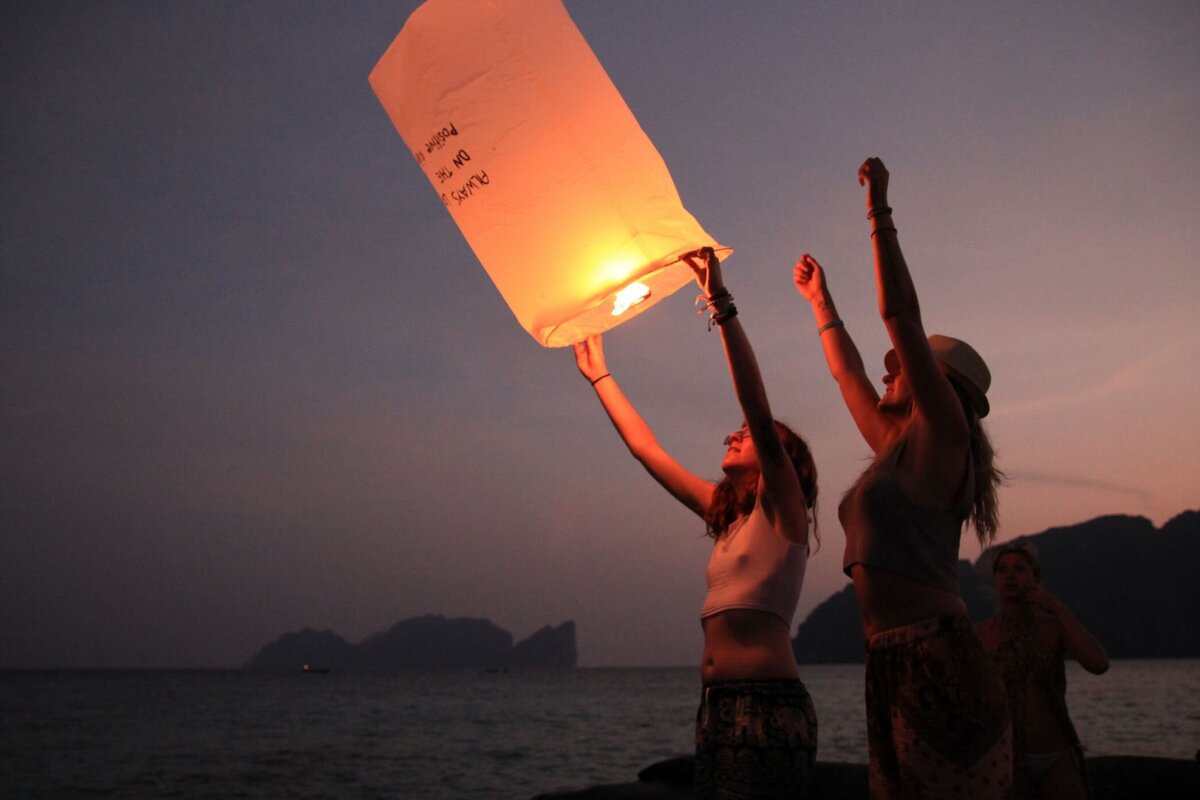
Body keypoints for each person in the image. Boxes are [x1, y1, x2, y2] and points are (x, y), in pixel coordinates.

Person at [792, 158, 1011, 798]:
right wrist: (820, 302)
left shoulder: (943, 441)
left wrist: (878, 210)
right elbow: (847, 375)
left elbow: (902, 319)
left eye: (900, 370)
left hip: (936, 658)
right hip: (886, 661)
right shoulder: (895, 448)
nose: (888, 374)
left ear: (936, 387)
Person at [574, 247, 819, 798]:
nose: (733, 434)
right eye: (733, 431)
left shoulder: (783, 508)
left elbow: (756, 404)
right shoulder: (726, 517)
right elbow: (647, 450)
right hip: (717, 708)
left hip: (767, 708)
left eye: (749, 435)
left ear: (781, 458)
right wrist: (600, 377)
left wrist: (719, 299)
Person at [975, 541, 1109, 799]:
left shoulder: (1052, 628)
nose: (1010, 575)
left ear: (1035, 577)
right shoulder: (981, 635)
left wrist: (1054, 606)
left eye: (1019, 569)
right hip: (1003, 757)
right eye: (1002, 570)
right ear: (995, 581)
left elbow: (1098, 663)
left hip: (1056, 753)